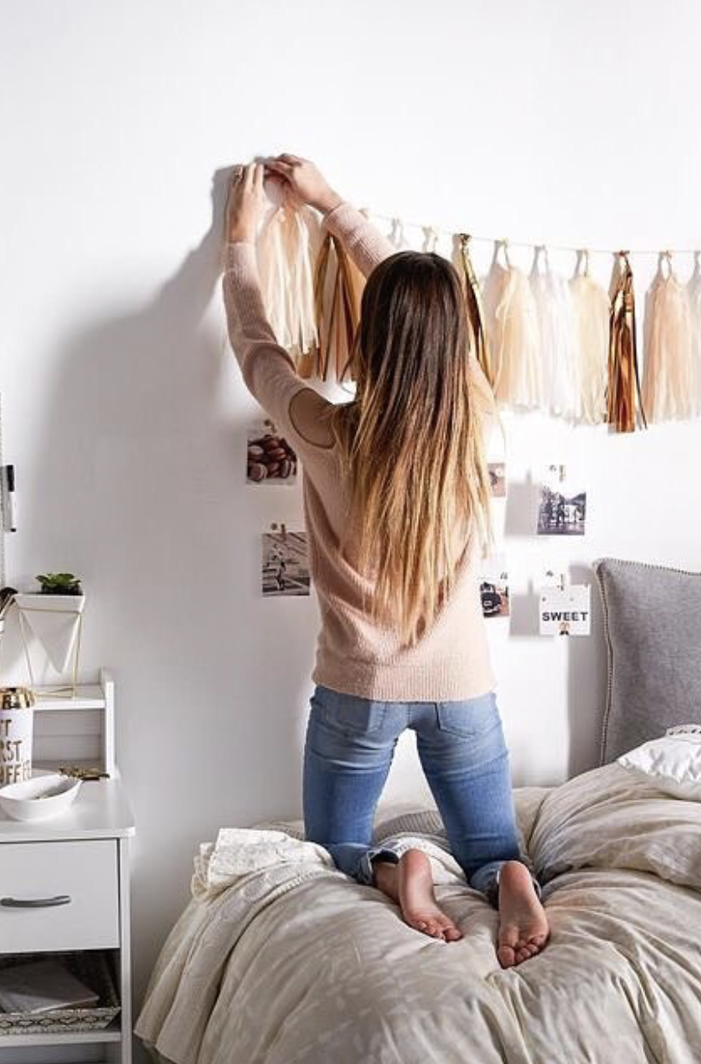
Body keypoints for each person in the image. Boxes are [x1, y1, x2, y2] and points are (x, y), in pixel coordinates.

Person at [222, 156, 549, 968]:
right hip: (461, 685)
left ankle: (392, 866)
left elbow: (253, 341)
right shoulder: (474, 419)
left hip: (358, 688)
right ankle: (506, 876)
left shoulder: (322, 426)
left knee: (331, 849)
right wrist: (334, 205)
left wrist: (242, 238)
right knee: (489, 844)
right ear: (455, 341)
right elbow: (423, 310)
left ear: (370, 333)